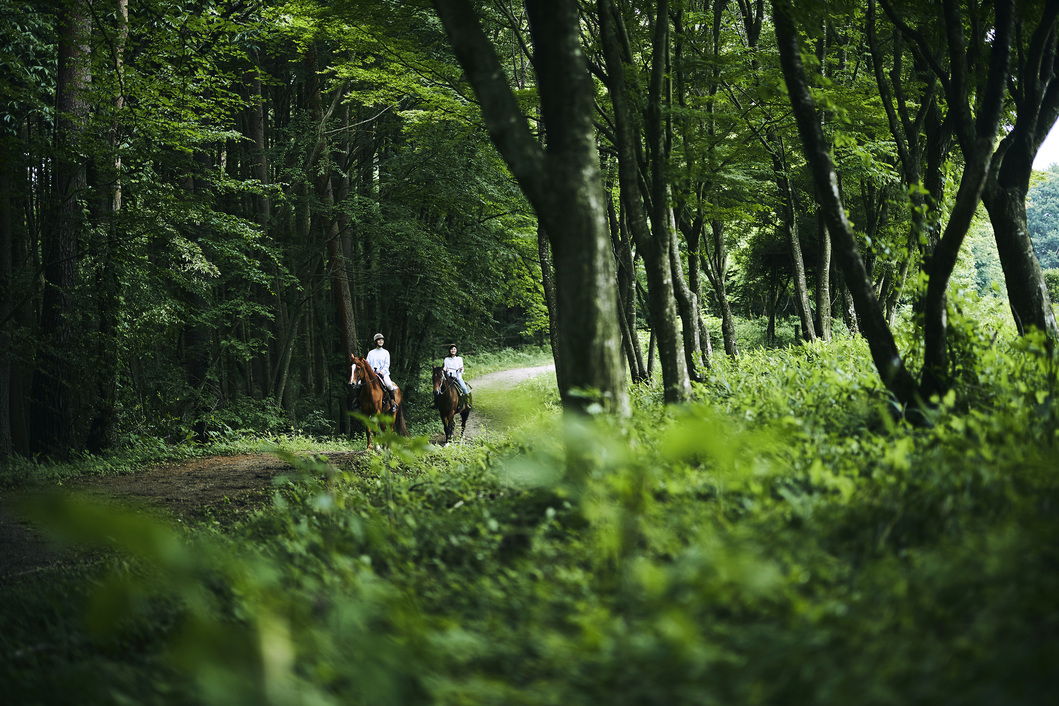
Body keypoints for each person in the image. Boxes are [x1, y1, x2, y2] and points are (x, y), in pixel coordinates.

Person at [366, 332, 398, 411]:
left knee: (389, 385)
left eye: (382, 340)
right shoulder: (371, 353)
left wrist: (382, 371)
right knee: (360, 383)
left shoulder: (386, 352)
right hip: (372, 375)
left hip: (383, 374)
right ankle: (358, 401)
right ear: (376, 341)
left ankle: (393, 402)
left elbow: (387, 364)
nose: (381, 341)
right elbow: (367, 364)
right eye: (379, 340)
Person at [442, 343, 472, 409]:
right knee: (439, 388)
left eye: (454, 349)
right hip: (448, 377)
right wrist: (445, 369)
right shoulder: (446, 359)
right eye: (452, 349)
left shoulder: (459, 359)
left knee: (464, 388)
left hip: (457, 377)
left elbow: (462, 368)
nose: (453, 350)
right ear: (449, 350)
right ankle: (436, 403)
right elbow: (443, 368)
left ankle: (468, 403)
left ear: (456, 350)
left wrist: (461, 369)